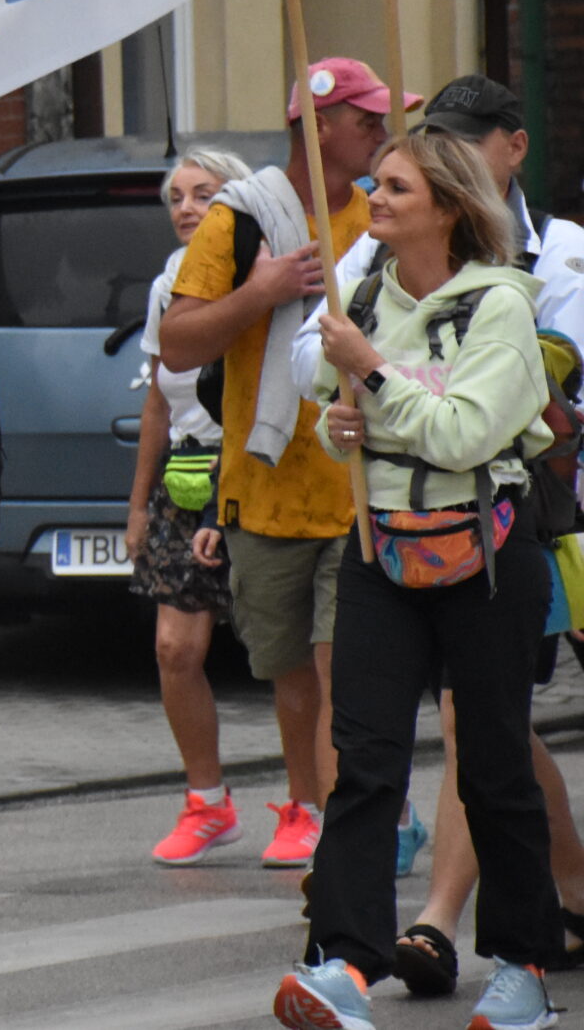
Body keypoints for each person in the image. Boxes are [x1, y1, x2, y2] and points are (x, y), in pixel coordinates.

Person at [292, 75, 584, 993]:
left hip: (490, 553)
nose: (371, 199)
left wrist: (372, 380)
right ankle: (342, 960)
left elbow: (465, 431)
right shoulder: (366, 291)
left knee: (494, 765)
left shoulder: (502, 302)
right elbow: (324, 383)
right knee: (365, 760)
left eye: (393, 189)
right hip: (381, 547)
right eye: (373, 184)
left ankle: (525, 962)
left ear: (449, 207)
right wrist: (343, 418)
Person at [164, 57, 409, 868]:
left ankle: (353, 828)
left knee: (347, 669)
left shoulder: (389, 215)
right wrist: (262, 291)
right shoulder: (240, 220)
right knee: (290, 674)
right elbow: (178, 342)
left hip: (361, 483)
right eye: (366, 117)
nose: (380, 131)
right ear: (316, 124)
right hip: (265, 486)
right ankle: (306, 804)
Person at [125, 147, 253, 863]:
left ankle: (323, 801)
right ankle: (207, 800)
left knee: (286, 652)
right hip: (187, 474)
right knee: (175, 647)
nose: (185, 207)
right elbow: (156, 398)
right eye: (175, 196)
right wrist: (138, 504)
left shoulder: (262, 271)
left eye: (203, 193)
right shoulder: (167, 282)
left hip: (258, 470)